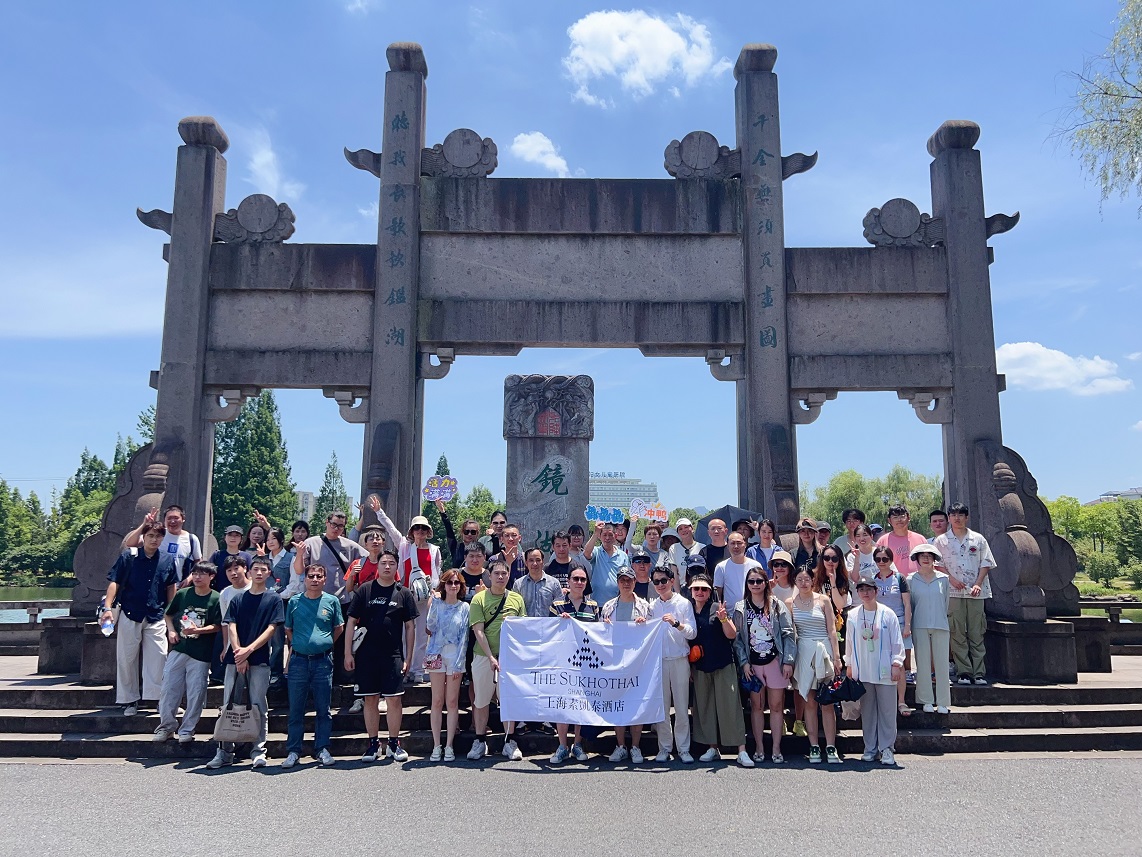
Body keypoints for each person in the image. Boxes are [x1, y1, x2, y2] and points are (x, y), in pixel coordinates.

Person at [207, 556, 284, 769]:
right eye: (255, 569)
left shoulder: (273, 599)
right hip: (235, 659)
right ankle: (224, 752)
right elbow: (230, 625)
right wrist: (238, 652)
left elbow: (271, 628)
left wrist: (248, 651)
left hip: (259, 658)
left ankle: (258, 750)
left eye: (263, 570)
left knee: (259, 705)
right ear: (249, 571)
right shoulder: (237, 599)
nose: (259, 573)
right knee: (228, 704)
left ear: (269, 573)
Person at [345, 550, 417, 763]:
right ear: (377, 565)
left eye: (391, 563)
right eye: (384, 563)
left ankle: (394, 743)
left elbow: (410, 627)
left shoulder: (403, 593)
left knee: (394, 700)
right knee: (370, 699)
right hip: (366, 655)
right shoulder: (365, 590)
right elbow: (351, 621)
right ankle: (373, 744)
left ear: (396, 567)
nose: (387, 566)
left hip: (393, 655)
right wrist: (347, 653)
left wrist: (409, 657)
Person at [101, 522, 179, 717]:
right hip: (130, 612)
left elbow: (171, 587)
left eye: (158, 536)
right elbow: (114, 582)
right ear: (144, 537)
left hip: (156, 614)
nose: (154, 539)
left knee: (159, 657)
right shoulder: (129, 556)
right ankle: (129, 700)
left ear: (163, 538)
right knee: (127, 658)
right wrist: (107, 608)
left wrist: (172, 612)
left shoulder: (167, 559)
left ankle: (159, 699)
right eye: (150, 535)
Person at [281, 564, 344, 768]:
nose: (315, 579)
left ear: (325, 579)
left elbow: (339, 627)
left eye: (319, 576)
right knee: (296, 709)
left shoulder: (332, 601)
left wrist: (324, 643)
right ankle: (293, 750)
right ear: (305, 579)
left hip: (323, 661)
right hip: (298, 661)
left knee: (323, 708)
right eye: (311, 576)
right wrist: (300, 644)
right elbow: (288, 629)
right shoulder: (295, 601)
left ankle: (322, 748)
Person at [295, 509, 366, 686]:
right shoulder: (311, 543)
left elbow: (370, 557)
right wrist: (299, 554)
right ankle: (316, 679)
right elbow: (299, 570)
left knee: (341, 642)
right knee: (317, 639)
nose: (336, 529)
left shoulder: (350, 545)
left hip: (342, 600)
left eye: (340, 526)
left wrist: (355, 578)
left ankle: (341, 679)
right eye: (334, 524)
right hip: (316, 600)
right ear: (327, 522)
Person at [373, 504, 442, 684]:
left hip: (426, 596)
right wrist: (379, 512)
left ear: (428, 531)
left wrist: (435, 592)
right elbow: (391, 529)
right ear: (412, 531)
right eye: (417, 528)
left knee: (422, 635)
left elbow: (437, 572)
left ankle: (418, 669)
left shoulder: (434, 550)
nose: (420, 531)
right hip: (406, 594)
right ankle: (405, 668)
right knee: (404, 634)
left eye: (423, 528)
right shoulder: (404, 546)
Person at [687, 574, 751, 766]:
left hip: (723, 663)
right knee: (705, 707)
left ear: (710, 592)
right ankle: (712, 747)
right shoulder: (688, 611)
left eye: (704, 589)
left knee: (730, 706)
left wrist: (724, 619)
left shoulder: (717, 608)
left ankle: (741, 750)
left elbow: (732, 635)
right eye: (696, 589)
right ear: (691, 591)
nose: (700, 592)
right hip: (700, 665)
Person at [153, 560, 220, 742]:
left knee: (196, 692)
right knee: (169, 688)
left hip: (201, 653)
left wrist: (199, 630)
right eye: (195, 573)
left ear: (211, 577)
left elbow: (218, 625)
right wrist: (171, 631)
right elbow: (168, 613)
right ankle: (166, 727)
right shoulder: (183, 594)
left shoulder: (216, 598)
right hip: (179, 648)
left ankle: (187, 729)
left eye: (202, 574)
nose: (197, 577)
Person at [732, 569, 796, 763]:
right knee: (757, 706)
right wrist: (743, 663)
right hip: (753, 664)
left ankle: (776, 748)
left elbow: (788, 633)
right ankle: (759, 747)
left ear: (765, 583)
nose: (755, 584)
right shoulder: (741, 607)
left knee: (776, 706)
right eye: (751, 581)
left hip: (775, 661)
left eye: (759, 581)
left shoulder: (777, 605)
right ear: (747, 584)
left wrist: (788, 661)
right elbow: (737, 639)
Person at [467, 560, 527, 761]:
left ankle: (509, 741)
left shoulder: (517, 599)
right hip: (483, 656)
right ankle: (479, 740)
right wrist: (491, 657)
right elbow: (478, 631)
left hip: (509, 659)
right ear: (489, 576)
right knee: (481, 700)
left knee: (508, 700)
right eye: (497, 573)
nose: (500, 577)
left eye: (504, 573)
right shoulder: (479, 599)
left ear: (509, 575)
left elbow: (522, 628)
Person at [934, 502, 997, 686]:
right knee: (957, 633)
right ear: (949, 518)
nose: (957, 518)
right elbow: (937, 564)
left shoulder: (978, 539)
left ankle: (979, 673)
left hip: (976, 592)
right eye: (953, 515)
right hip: (953, 592)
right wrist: (952, 579)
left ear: (966, 517)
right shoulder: (941, 541)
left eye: (961, 515)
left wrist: (978, 583)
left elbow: (986, 562)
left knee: (977, 632)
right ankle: (964, 672)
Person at [847, 573, 906, 766]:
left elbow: (897, 641)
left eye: (869, 589)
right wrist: (849, 665)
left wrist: (896, 664)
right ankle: (870, 748)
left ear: (876, 591)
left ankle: (887, 748)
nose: (865, 593)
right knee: (868, 712)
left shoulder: (888, 614)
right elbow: (849, 643)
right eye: (862, 590)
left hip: (885, 670)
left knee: (887, 712)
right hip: (863, 670)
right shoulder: (853, 615)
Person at [787, 564, 842, 764]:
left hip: (824, 651)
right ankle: (814, 746)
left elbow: (832, 630)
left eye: (807, 579)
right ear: (795, 581)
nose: (803, 583)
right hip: (803, 653)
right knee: (809, 702)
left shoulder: (824, 600)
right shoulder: (790, 602)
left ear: (813, 580)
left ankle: (831, 746)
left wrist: (837, 657)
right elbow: (789, 633)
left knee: (827, 702)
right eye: (799, 579)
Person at [548, 567, 601, 764]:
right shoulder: (557, 605)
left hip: (585, 662)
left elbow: (598, 634)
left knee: (581, 704)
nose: (579, 582)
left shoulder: (593, 606)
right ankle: (562, 745)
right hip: (563, 662)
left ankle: (577, 744)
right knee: (563, 704)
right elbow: (549, 632)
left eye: (583, 579)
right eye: (576, 579)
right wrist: (559, 623)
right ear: (568, 581)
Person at [601, 565, 651, 763]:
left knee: (636, 703)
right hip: (615, 661)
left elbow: (652, 633)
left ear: (635, 582)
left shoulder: (644, 606)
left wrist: (644, 625)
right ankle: (621, 745)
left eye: (629, 580)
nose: (626, 583)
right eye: (622, 580)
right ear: (617, 583)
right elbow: (600, 635)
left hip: (638, 662)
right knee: (618, 703)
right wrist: (604, 627)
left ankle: (635, 746)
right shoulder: (608, 607)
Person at [648, 566, 696, 763]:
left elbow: (692, 632)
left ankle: (683, 749)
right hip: (659, 663)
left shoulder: (684, 603)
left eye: (663, 581)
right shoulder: (651, 606)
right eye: (656, 582)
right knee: (662, 708)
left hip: (679, 660)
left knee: (682, 707)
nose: (660, 585)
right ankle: (664, 748)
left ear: (671, 581)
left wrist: (677, 624)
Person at [425, 569, 470, 761]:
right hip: (436, 653)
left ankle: (449, 744)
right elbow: (430, 627)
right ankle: (436, 745)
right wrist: (434, 602)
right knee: (437, 701)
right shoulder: (437, 603)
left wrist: (459, 663)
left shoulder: (465, 607)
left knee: (452, 701)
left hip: (455, 655)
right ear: (443, 585)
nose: (453, 586)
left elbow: (465, 637)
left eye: (456, 582)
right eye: (449, 582)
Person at [908, 544, 951, 714]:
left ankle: (943, 702)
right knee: (923, 663)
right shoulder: (911, 579)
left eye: (929, 556)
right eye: (922, 556)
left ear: (934, 559)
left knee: (942, 664)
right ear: (917, 559)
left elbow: (945, 603)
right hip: (919, 624)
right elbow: (910, 605)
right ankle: (925, 700)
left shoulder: (943, 579)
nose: (926, 558)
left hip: (940, 624)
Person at [871, 546, 913, 717]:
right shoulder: (873, 579)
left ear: (891, 560)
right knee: (880, 663)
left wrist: (907, 625)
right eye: (878, 559)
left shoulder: (899, 578)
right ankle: (883, 702)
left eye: (885, 559)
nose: (881, 562)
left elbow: (907, 603)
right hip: (879, 625)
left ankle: (901, 700)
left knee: (898, 663)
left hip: (899, 624)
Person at [120, 505, 202, 583]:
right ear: (164, 520)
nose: (172, 521)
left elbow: (198, 561)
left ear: (183, 519)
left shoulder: (191, 539)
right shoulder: (157, 534)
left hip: (178, 585)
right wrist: (144, 524)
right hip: (155, 584)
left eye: (176, 518)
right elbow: (130, 543)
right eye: (169, 518)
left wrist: (190, 578)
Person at [585, 521, 630, 606]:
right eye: (604, 535)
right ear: (600, 536)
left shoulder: (623, 555)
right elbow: (586, 553)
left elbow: (626, 577)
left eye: (610, 535)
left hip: (616, 603)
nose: (607, 538)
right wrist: (595, 533)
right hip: (596, 603)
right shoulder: (596, 551)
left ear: (615, 536)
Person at [713, 531, 762, 609]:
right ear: (728, 546)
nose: (736, 546)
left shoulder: (755, 565)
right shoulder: (721, 567)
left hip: (752, 611)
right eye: (732, 543)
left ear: (745, 544)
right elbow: (718, 593)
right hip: (730, 613)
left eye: (739, 543)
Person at [877, 504, 929, 576]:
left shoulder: (921, 539)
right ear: (889, 520)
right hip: (894, 580)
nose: (899, 520)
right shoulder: (882, 541)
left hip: (920, 580)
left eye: (902, 516)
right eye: (895, 517)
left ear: (908, 518)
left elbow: (929, 561)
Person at [513, 547, 564, 617]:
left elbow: (560, 608)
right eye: (531, 560)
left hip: (548, 623)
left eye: (538, 560)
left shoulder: (554, 583)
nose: (535, 563)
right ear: (526, 563)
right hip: (526, 623)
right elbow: (515, 609)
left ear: (543, 562)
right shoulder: (518, 584)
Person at [435, 498, 484, 568]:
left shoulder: (481, 548)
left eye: (473, 532)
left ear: (477, 533)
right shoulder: (456, 547)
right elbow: (449, 530)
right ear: (462, 532)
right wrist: (443, 512)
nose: (469, 534)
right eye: (466, 532)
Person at [209, 526, 253, 592]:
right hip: (219, 592)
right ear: (225, 537)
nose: (233, 538)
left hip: (241, 592)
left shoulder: (247, 556)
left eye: (237, 535)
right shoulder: (217, 555)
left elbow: (250, 576)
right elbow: (208, 572)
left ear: (241, 539)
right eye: (230, 535)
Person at [486, 522, 527, 588]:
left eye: (514, 535)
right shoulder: (494, 559)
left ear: (519, 538)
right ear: (502, 539)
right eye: (507, 536)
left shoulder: (525, 558)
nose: (510, 539)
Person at [669, 518, 704, 585]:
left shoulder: (702, 547)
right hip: (681, 586)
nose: (684, 530)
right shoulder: (674, 548)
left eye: (686, 527)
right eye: (680, 529)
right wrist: (678, 591)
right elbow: (674, 573)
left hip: (699, 586)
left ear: (692, 529)